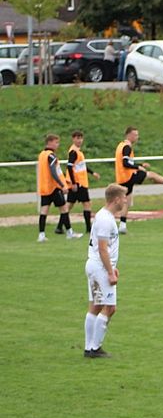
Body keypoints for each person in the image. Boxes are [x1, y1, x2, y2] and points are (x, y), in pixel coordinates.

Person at [84, 183, 127, 359]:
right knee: (110, 308)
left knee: (96, 306)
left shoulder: (104, 216)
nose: (125, 201)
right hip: (100, 268)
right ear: (116, 199)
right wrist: (110, 271)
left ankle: (89, 347)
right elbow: (102, 249)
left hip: (97, 266)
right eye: (124, 198)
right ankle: (95, 348)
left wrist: (112, 267)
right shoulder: (105, 220)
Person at [114, 126, 163, 234]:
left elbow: (127, 162)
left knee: (127, 201)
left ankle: (122, 225)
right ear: (129, 135)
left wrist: (140, 165)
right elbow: (125, 163)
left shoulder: (121, 145)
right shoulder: (127, 147)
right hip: (128, 176)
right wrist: (138, 167)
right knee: (151, 175)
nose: (137, 137)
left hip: (122, 178)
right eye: (135, 135)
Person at [37, 134, 82, 242]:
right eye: (56, 142)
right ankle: (69, 232)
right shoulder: (51, 156)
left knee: (44, 211)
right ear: (50, 142)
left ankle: (41, 235)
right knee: (64, 209)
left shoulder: (42, 154)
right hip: (54, 187)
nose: (58, 145)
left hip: (44, 187)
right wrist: (62, 185)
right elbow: (53, 172)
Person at [64, 130, 102, 235]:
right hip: (78, 182)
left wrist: (92, 173)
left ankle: (60, 226)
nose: (80, 140)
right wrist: (74, 182)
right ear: (73, 139)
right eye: (77, 138)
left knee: (69, 205)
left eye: (81, 138)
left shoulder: (77, 151)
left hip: (79, 182)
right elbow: (69, 167)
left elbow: (81, 166)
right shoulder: (73, 152)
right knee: (86, 204)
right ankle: (89, 228)